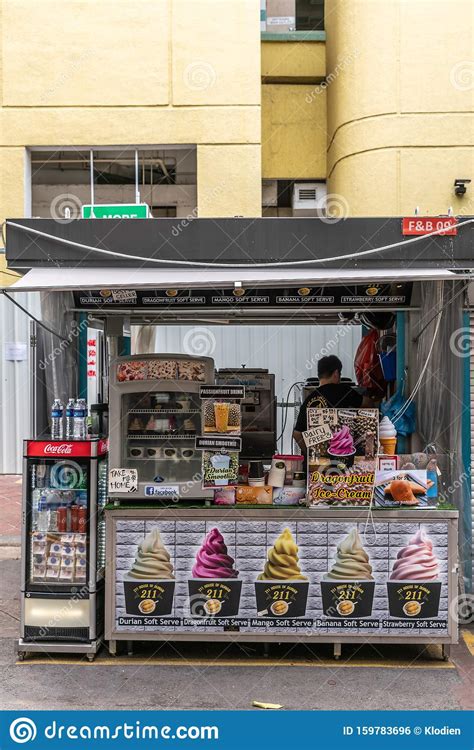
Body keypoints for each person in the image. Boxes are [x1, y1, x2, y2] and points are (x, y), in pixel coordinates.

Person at [293, 355, 374, 456]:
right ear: (336, 373)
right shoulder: (343, 391)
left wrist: (311, 454)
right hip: (342, 459)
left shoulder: (309, 399)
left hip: (316, 464)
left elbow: (297, 434)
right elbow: (368, 404)